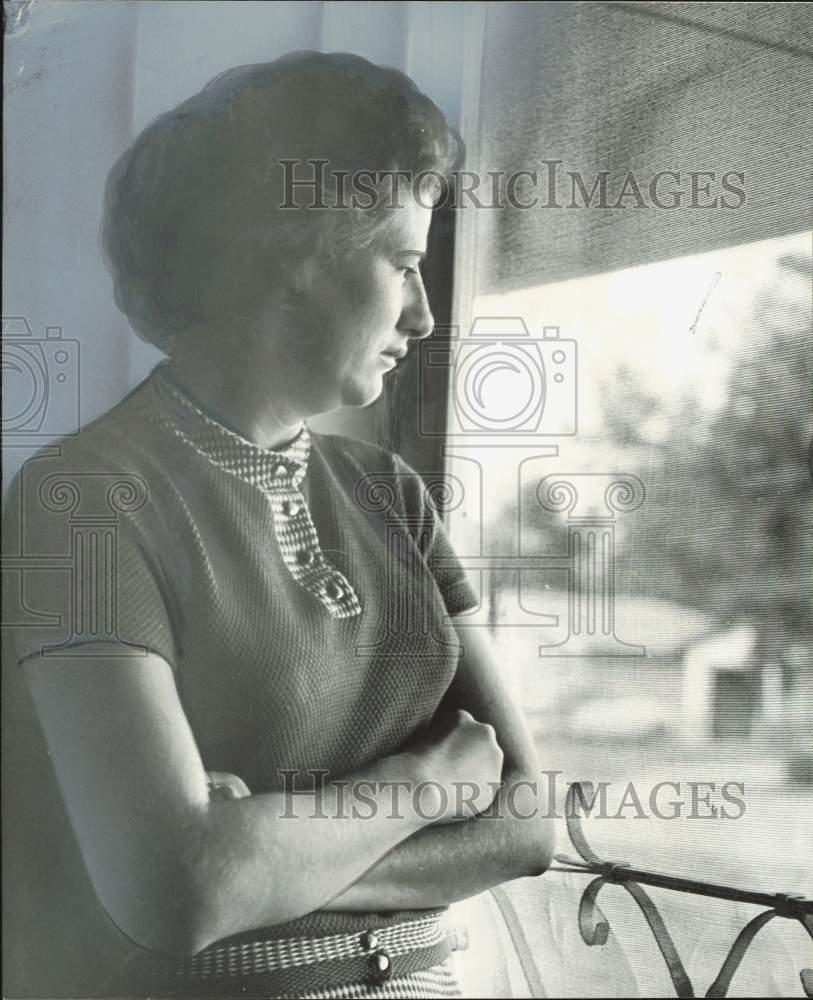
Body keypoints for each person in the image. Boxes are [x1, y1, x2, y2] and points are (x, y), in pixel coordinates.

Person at [2, 51, 554, 998]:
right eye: (405, 263)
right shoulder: (83, 498)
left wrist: (267, 861)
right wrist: (423, 790)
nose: (423, 316)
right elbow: (176, 889)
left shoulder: (392, 493)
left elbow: (524, 824)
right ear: (295, 252)